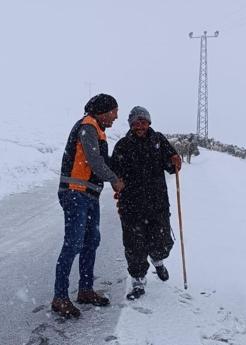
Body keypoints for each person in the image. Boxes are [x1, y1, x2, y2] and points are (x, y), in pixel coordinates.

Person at [51, 93, 125, 318]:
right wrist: (114, 179)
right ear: (103, 110)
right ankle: (59, 297)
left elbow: (102, 162)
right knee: (73, 244)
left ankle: (85, 290)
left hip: (89, 195)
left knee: (91, 241)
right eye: (114, 112)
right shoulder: (88, 127)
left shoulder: (98, 130)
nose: (115, 117)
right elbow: (94, 161)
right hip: (75, 194)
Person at [110, 106, 182, 300]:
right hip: (131, 205)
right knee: (134, 245)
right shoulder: (123, 145)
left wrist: (176, 161)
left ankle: (158, 261)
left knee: (161, 241)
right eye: (135, 123)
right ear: (131, 125)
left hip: (157, 202)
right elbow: (113, 171)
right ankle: (138, 280)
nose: (139, 126)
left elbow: (171, 165)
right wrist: (117, 182)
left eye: (142, 122)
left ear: (149, 122)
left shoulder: (158, 140)